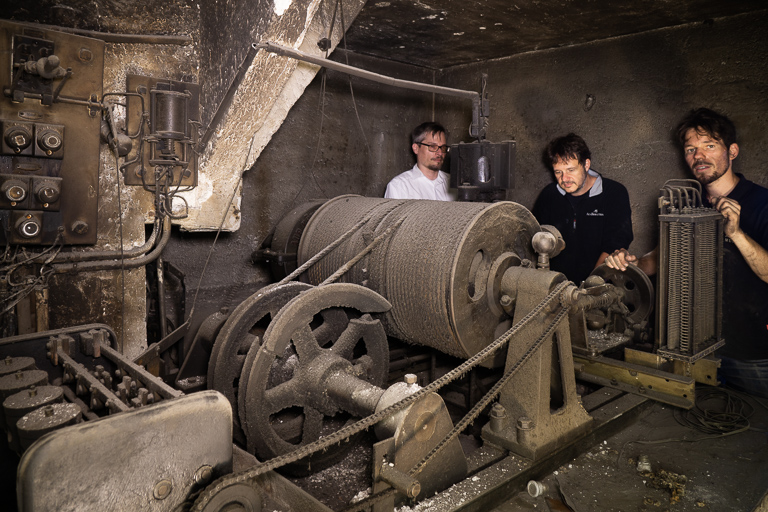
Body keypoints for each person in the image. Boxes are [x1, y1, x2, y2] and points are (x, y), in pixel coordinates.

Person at [606, 108, 768, 398]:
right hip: (692, 349)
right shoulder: (683, 204)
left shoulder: (761, 203)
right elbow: (658, 258)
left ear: (732, 150)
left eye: (709, 146)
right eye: (691, 149)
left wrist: (737, 234)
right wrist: (632, 263)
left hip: (751, 357)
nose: (699, 156)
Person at [532, 133, 633, 284]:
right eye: (558, 172)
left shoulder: (614, 193)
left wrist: (590, 287)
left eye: (571, 170)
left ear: (586, 165)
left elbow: (615, 244)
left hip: (599, 287)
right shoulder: (549, 195)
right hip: (553, 287)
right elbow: (534, 238)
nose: (564, 179)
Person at [384, 122, 455, 200]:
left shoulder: (454, 184)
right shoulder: (399, 186)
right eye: (432, 146)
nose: (440, 153)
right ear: (416, 148)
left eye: (443, 147)